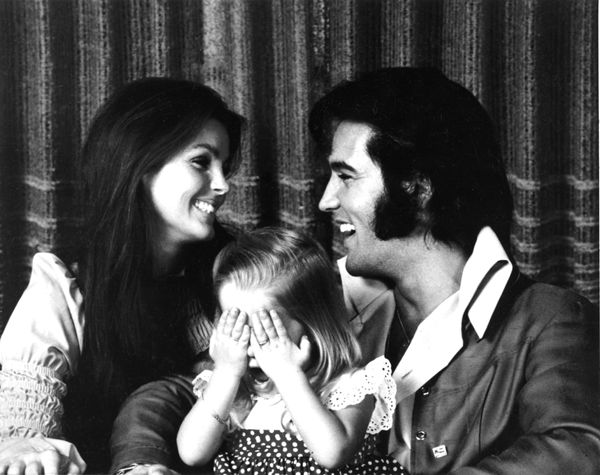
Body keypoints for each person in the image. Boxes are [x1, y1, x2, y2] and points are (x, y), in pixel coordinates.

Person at [309, 67, 600, 473]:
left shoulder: (548, 319)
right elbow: (206, 384)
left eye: (346, 176)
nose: (326, 200)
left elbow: (577, 451)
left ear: (419, 188)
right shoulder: (323, 300)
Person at [0, 77, 244, 474]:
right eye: (202, 162)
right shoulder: (64, 285)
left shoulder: (236, 275)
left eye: (224, 166)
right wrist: (27, 449)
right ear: (140, 166)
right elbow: (26, 408)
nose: (222, 185)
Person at [176, 227, 402, 474]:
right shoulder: (232, 390)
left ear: (313, 324)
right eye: (236, 324)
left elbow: (332, 454)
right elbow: (192, 454)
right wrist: (226, 373)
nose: (248, 339)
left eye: (265, 327)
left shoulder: (349, 386)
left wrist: (288, 375)